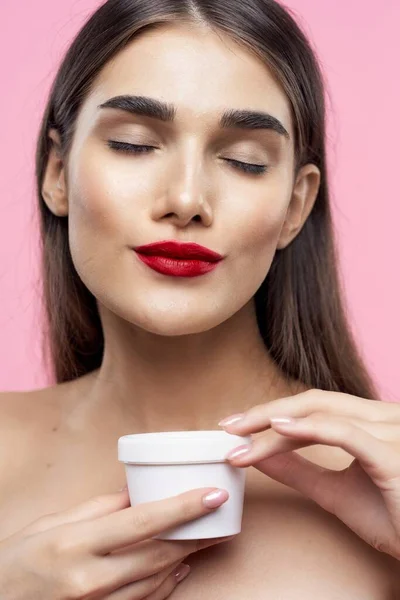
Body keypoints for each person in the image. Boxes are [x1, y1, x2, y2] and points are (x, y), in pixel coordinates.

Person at [0, 0, 399, 597]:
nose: (187, 199)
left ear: (296, 206)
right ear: (57, 172)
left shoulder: (382, 484)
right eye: (134, 144)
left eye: (244, 161)